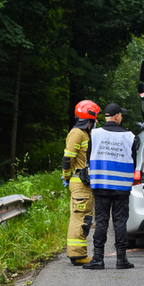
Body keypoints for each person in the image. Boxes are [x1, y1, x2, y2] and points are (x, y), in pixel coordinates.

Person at [83, 103, 137, 270]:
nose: (122, 118)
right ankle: (121, 259)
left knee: (101, 222)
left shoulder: (95, 134)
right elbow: (133, 160)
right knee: (120, 222)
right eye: (121, 115)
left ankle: (98, 258)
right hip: (121, 186)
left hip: (101, 184)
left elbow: (88, 157)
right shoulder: (129, 136)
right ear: (117, 116)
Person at [62, 100, 100, 266]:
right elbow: (67, 158)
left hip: (84, 183)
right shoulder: (77, 133)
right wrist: (66, 175)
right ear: (90, 117)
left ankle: (77, 254)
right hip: (80, 183)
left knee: (83, 218)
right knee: (81, 219)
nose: (97, 121)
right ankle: (78, 256)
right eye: (96, 117)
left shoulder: (85, 134)